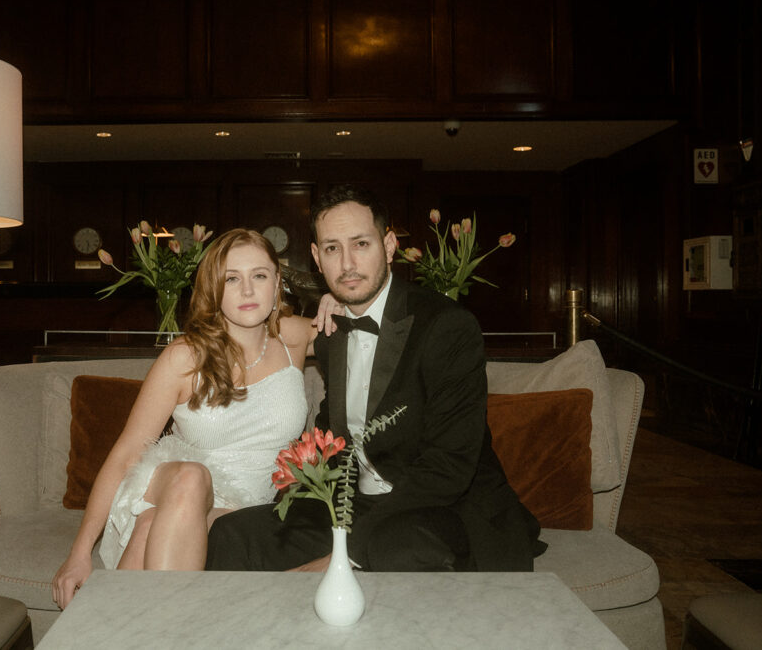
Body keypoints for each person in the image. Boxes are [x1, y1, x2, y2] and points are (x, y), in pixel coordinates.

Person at [206, 185, 542, 573]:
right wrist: (299, 492)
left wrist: (343, 554)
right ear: (316, 257)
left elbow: (448, 467)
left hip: (440, 507)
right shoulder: (331, 332)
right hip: (354, 506)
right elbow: (332, 437)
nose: (347, 263)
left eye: (361, 244)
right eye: (332, 248)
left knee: (398, 550)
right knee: (234, 532)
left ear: (389, 245)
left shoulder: (447, 326)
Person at [51, 228, 330, 610]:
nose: (247, 290)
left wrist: (335, 301)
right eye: (232, 278)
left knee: (151, 528)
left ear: (278, 283)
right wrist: (79, 553)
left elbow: (362, 318)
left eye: (259, 276)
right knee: (192, 477)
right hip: (171, 483)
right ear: (214, 288)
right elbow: (126, 453)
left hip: (242, 511)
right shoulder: (186, 358)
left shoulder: (292, 339)